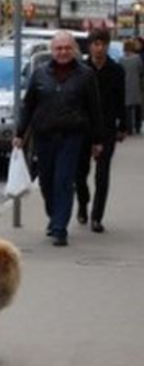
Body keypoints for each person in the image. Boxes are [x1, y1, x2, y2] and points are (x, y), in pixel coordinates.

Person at [14, 31, 103, 247]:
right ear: (52, 51)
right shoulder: (40, 74)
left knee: (63, 180)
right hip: (44, 137)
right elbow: (28, 106)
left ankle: (60, 228)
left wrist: (97, 140)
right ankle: (55, 216)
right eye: (58, 48)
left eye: (66, 48)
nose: (62, 52)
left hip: (72, 137)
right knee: (46, 182)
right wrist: (19, 134)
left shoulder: (85, 75)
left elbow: (95, 109)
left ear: (73, 50)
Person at [76, 29, 127, 234]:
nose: (100, 48)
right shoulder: (81, 68)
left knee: (102, 173)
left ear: (107, 45)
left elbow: (120, 99)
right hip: (83, 127)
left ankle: (97, 217)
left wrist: (123, 126)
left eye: (103, 44)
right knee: (80, 173)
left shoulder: (116, 70)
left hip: (106, 127)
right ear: (90, 46)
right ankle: (83, 202)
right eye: (96, 44)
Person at [121, 39, 143, 135]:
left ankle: (129, 128)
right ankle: (137, 126)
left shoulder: (121, 59)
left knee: (127, 108)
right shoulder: (137, 58)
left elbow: (119, 72)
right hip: (135, 84)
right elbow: (141, 70)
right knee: (137, 106)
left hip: (125, 84)